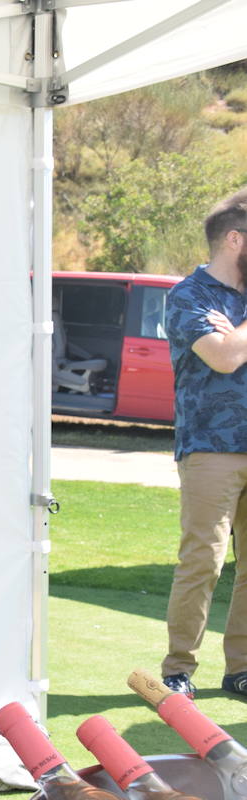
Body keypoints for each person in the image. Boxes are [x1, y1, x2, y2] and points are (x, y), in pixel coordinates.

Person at [161, 189, 247, 700]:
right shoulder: (189, 295)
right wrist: (235, 337)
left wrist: (235, 334)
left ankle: (240, 670)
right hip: (211, 448)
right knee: (203, 561)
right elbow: (223, 357)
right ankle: (177, 669)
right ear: (235, 239)